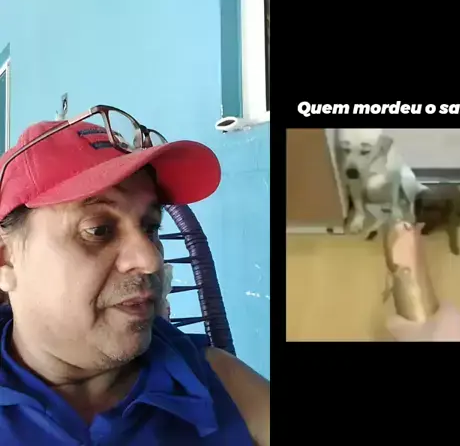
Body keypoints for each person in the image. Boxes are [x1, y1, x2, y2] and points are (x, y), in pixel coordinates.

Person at [0, 106, 269, 444]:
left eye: (150, 227)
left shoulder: (223, 386)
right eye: (98, 230)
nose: (151, 260)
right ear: (6, 259)